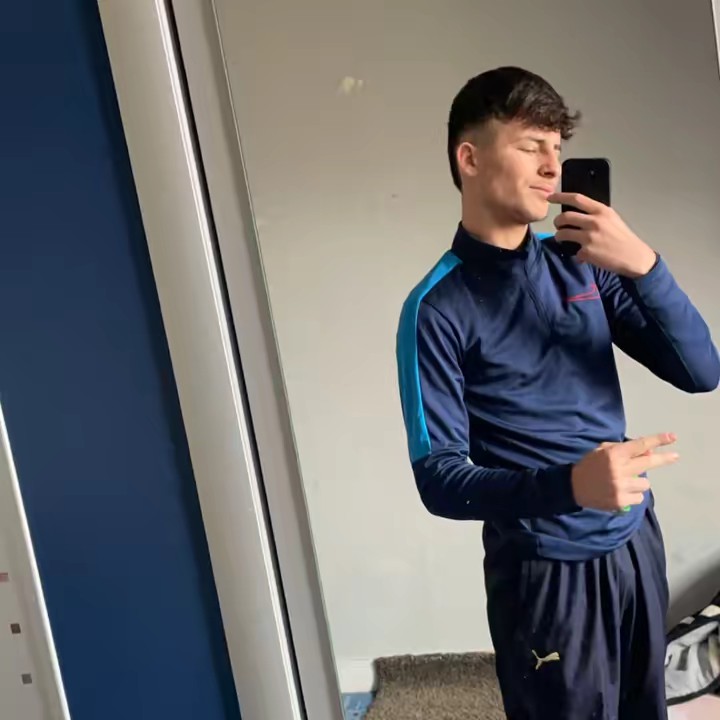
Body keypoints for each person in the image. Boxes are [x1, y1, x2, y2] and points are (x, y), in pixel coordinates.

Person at [395, 66, 720, 719]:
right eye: (530, 146)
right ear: (469, 159)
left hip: (633, 540)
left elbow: (701, 370)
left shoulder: (584, 266)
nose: (552, 167)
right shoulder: (436, 308)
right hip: (543, 570)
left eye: (557, 148)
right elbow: (439, 478)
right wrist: (569, 486)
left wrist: (645, 266)